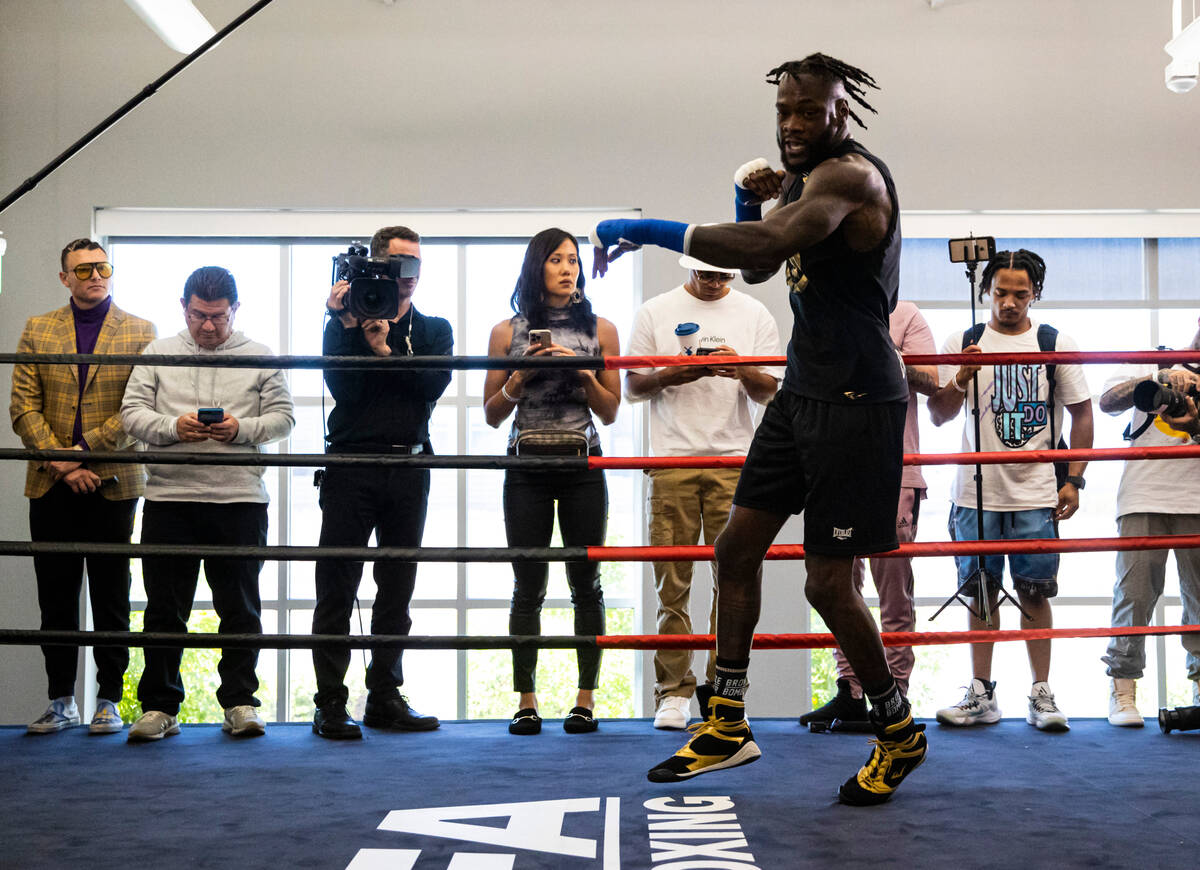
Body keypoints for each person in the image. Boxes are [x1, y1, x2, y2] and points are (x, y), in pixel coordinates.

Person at [592, 53, 925, 805]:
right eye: (785, 111)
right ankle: (729, 721)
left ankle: (899, 730)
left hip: (856, 400)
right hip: (802, 394)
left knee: (826, 587)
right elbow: (768, 266)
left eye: (812, 111)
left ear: (845, 112)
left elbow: (768, 251)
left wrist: (646, 227)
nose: (795, 125)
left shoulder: (851, 179)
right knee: (734, 550)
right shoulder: (805, 180)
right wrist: (746, 206)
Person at [120, 266, 294, 741]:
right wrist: (175, 427)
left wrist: (242, 429)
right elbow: (131, 415)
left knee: (240, 607)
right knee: (163, 608)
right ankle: (159, 707)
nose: (209, 327)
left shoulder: (261, 356)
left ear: (235, 309)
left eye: (218, 317)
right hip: (169, 495)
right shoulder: (158, 353)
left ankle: (240, 702)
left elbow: (283, 419)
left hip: (238, 498)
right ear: (184, 308)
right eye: (199, 316)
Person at [928, 248, 1093, 733]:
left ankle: (1041, 693)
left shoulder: (1052, 341)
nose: (1009, 303)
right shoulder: (965, 339)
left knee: (1036, 593)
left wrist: (1075, 479)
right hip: (973, 492)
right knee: (979, 593)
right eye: (1000, 293)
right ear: (986, 292)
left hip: (1036, 491)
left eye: (1020, 294)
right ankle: (981, 693)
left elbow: (1082, 413)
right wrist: (960, 377)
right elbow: (937, 413)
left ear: (1035, 294)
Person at [624, 254, 780, 730]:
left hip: (735, 461)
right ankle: (672, 692)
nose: (713, 282)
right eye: (705, 273)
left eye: (722, 274)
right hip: (672, 458)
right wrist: (676, 372)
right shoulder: (655, 310)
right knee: (672, 582)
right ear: (687, 267)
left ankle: (724, 693)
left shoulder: (754, 314)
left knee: (733, 582)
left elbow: (769, 390)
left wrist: (741, 368)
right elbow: (632, 386)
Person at [311, 225, 453, 740]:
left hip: (409, 467)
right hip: (350, 465)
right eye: (397, 265)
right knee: (336, 585)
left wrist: (387, 352)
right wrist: (349, 327)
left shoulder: (434, 328)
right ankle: (329, 702)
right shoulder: (343, 322)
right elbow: (343, 391)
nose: (406, 276)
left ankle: (384, 697)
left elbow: (431, 386)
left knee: (397, 589)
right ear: (375, 266)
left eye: (414, 265)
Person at [10, 238, 156, 736]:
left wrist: (82, 454)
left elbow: (136, 410)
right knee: (55, 594)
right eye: (84, 269)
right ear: (64, 278)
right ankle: (60, 700)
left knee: (113, 592)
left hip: (113, 479)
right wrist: (61, 463)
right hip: (50, 483)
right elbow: (22, 407)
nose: (96, 275)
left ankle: (110, 701)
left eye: (103, 267)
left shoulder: (140, 330)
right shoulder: (37, 328)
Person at [483, 228, 621, 736]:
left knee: (586, 584)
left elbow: (610, 411)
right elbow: (492, 414)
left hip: (583, 464)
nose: (569, 269)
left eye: (574, 260)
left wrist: (583, 373)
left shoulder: (601, 329)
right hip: (526, 466)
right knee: (528, 585)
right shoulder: (507, 331)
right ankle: (526, 700)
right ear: (536, 266)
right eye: (557, 260)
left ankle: (585, 700)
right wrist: (518, 380)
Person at [800, 300, 937, 726]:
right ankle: (851, 691)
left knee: (894, 589)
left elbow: (933, 381)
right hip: (837, 464)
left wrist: (888, 356)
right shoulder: (825, 311)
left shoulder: (907, 315)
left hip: (895, 467)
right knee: (840, 586)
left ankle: (894, 698)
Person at [1097, 321, 1200, 723]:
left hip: (1196, 500)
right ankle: (1122, 691)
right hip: (1143, 495)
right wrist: (1157, 376)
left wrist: (1194, 427)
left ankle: (1198, 685)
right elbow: (1107, 402)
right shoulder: (1151, 357)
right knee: (1134, 596)